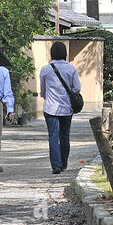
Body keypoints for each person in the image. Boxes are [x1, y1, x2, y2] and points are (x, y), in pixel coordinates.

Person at [39, 41, 82, 174]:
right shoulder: (71, 69)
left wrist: (46, 95)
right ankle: (63, 164)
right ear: (65, 53)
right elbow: (77, 88)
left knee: (53, 136)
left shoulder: (45, 70)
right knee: (65, 136)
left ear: (52, 53)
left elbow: (43, 90)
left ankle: (56, 166)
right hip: (66, 109)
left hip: (50, 108)